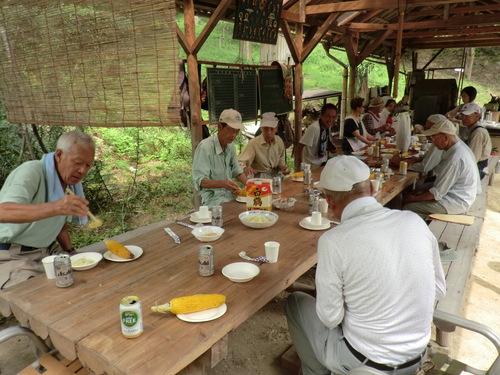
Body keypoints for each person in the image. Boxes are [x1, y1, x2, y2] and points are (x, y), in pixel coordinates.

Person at [285, 155, 446, 375]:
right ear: (372, 188)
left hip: (367, 364)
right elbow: (439, 289)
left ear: (329, 202)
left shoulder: (334, 241)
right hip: (417, 357)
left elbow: (331, 319)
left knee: (295, 302)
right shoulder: (414, 221)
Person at [0, 131, 95, 289]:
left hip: (47, 250)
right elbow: (3, 212)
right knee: (42, 297)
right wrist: (57, 207)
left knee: (87, 281)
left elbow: (59, 224)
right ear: (59, 155)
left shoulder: (70, 184)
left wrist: (70, 251)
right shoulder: (32, 171)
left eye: (88, 165)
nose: (82, 170)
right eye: (78, 162)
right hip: (11, 254)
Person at [403, 119, 479, 220]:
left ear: (446, 137)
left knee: (408, 208)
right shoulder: (454, 150)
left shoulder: (455, 159)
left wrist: (411, 200)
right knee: (416, 192)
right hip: (454, 195)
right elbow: (441, 182)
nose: (432, 141)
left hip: (457, 202)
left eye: (434, 138)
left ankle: (422, 231)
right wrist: (421, 190)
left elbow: (436, 194)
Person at [192, 108, 248, 207]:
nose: (234, 135)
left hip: (230, 196)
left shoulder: (230, 146)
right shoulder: (205, 147)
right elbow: (200, 181)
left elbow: (236, 169)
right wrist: (223, 183)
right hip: (213, 201)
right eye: (231, 131)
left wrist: (251, 185)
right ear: (219, 127)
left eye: (237, 132)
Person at [237, 112, 290, 179]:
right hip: (261, 178)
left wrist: (283, 167)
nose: (269, 132)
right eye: (265, 129)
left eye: (272, 129)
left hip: (277, 176)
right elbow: (240, 162)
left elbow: (281, 160)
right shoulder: (254, 143)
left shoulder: (278, 141)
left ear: (276, 128)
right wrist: (245, 168)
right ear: (261, 128)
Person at [297, 103, 337, 169]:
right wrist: (300, 167)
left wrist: (331, 147)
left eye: (333, 117)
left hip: (322, 163)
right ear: (321, 116)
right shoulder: (314, 128)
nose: (331, 120)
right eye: (328, 116)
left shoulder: (327, 127)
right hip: (311, 166)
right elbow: (300, 146)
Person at [460, 102, 492, 180]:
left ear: (477, 116)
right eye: (462, 116)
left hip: (478, 168)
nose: (463, 119)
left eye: (467, 116)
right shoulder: (472, 128)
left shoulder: (478, 133)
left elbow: (472, 158)